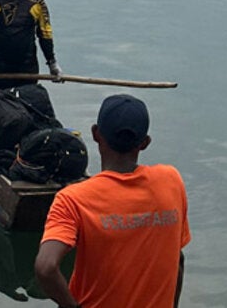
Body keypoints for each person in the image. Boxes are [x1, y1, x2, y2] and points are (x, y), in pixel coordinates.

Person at [34, 95, 189, 308]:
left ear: (96, 134)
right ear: (144, 143)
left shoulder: (73, 199)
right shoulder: (171, 181)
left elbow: (46, 267)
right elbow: (177, 261)